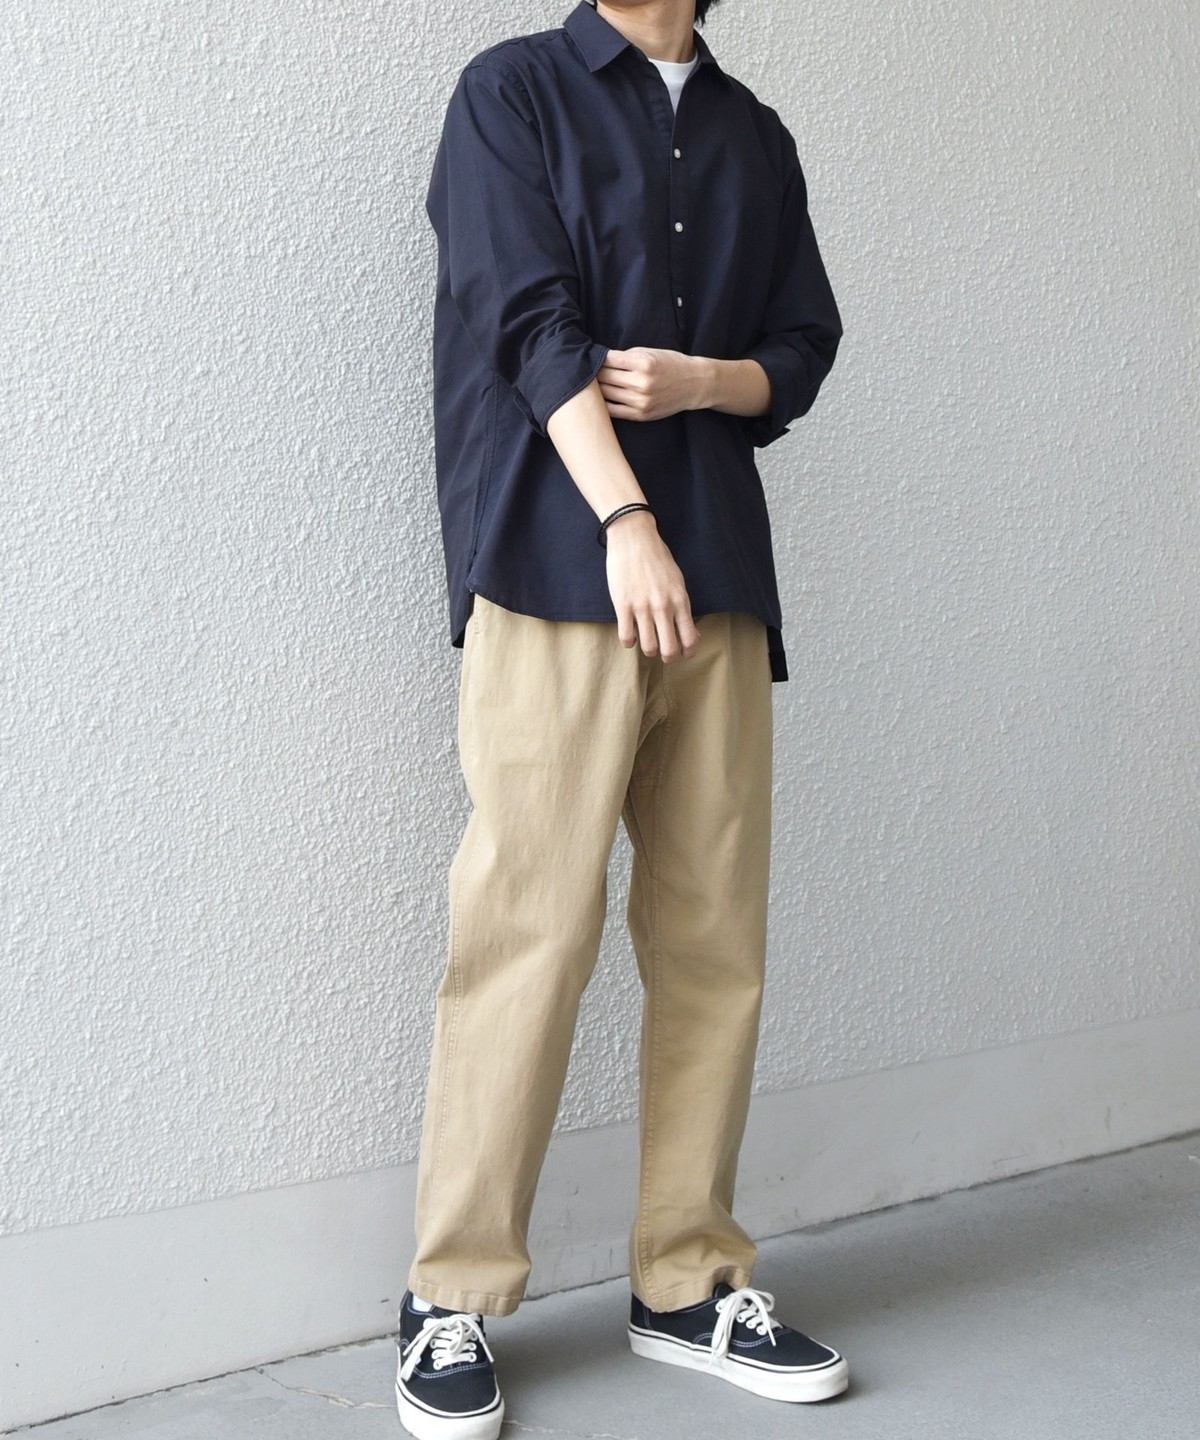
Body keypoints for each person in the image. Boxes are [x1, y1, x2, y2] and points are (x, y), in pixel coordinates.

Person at [396, 2, 846, 1435]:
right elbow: (526, 323)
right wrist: (626, 519)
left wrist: (710, 383)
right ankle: (452, 1294)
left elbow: (805, 343)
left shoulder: (754, 135)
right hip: (560, 561)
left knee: (715, 936)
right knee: (526, 925)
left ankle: (690, 1280)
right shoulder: (512, 94)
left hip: (720, 579)